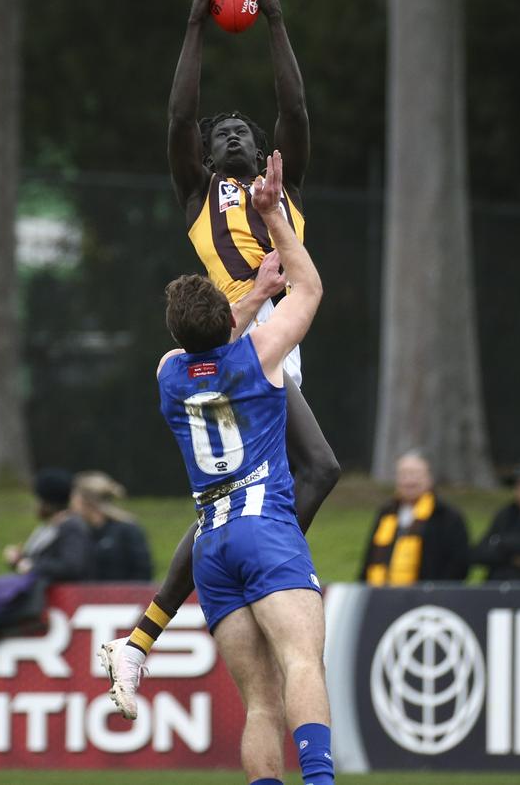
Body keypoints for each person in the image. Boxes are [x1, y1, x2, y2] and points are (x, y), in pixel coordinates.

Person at [99, 0, 338, 683]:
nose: (234, 133)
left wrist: (276, 23)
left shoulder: (279, 186)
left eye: (246, 130)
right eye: (220, 131)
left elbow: (294, 109)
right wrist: (195, 24)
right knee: (321, 468)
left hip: (279, 343)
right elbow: (179, 112)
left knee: (239, 504)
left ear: (265, 151)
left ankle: (140, 642)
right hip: (242, 346)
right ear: (205, 152)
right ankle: (264, 573)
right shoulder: (199, 192)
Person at [101, 151, 335, 785]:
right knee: (303, 667)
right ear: (233, 322)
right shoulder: (260, 355)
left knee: (258, 703)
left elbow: (205, 336)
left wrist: (253, 293)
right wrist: (272, 219)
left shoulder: (169, 373)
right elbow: (309, 288)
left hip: (210, 547)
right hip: (264, 528)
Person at [0, 469, 93, 639]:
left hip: (54, 604)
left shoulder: (71, 527)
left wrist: (31, 565)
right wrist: (19, 560)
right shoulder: (49, 527)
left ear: (48, 502)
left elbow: (71, 566)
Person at [359, 450, 469, 584]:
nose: (409, 480)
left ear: (429, 478)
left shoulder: (446, 516)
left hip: (428, 596)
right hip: (381, 593)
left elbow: (458, 563)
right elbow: (369, 558)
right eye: (403, 474)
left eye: (415, 474)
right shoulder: (386, 513)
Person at [70, 471, 153, 581]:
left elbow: (143, 571)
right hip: (90, 597)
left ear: (87, 502)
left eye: (74, 499)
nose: (71, 505)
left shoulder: (127, 530)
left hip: (125, 596)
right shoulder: (80, 532)